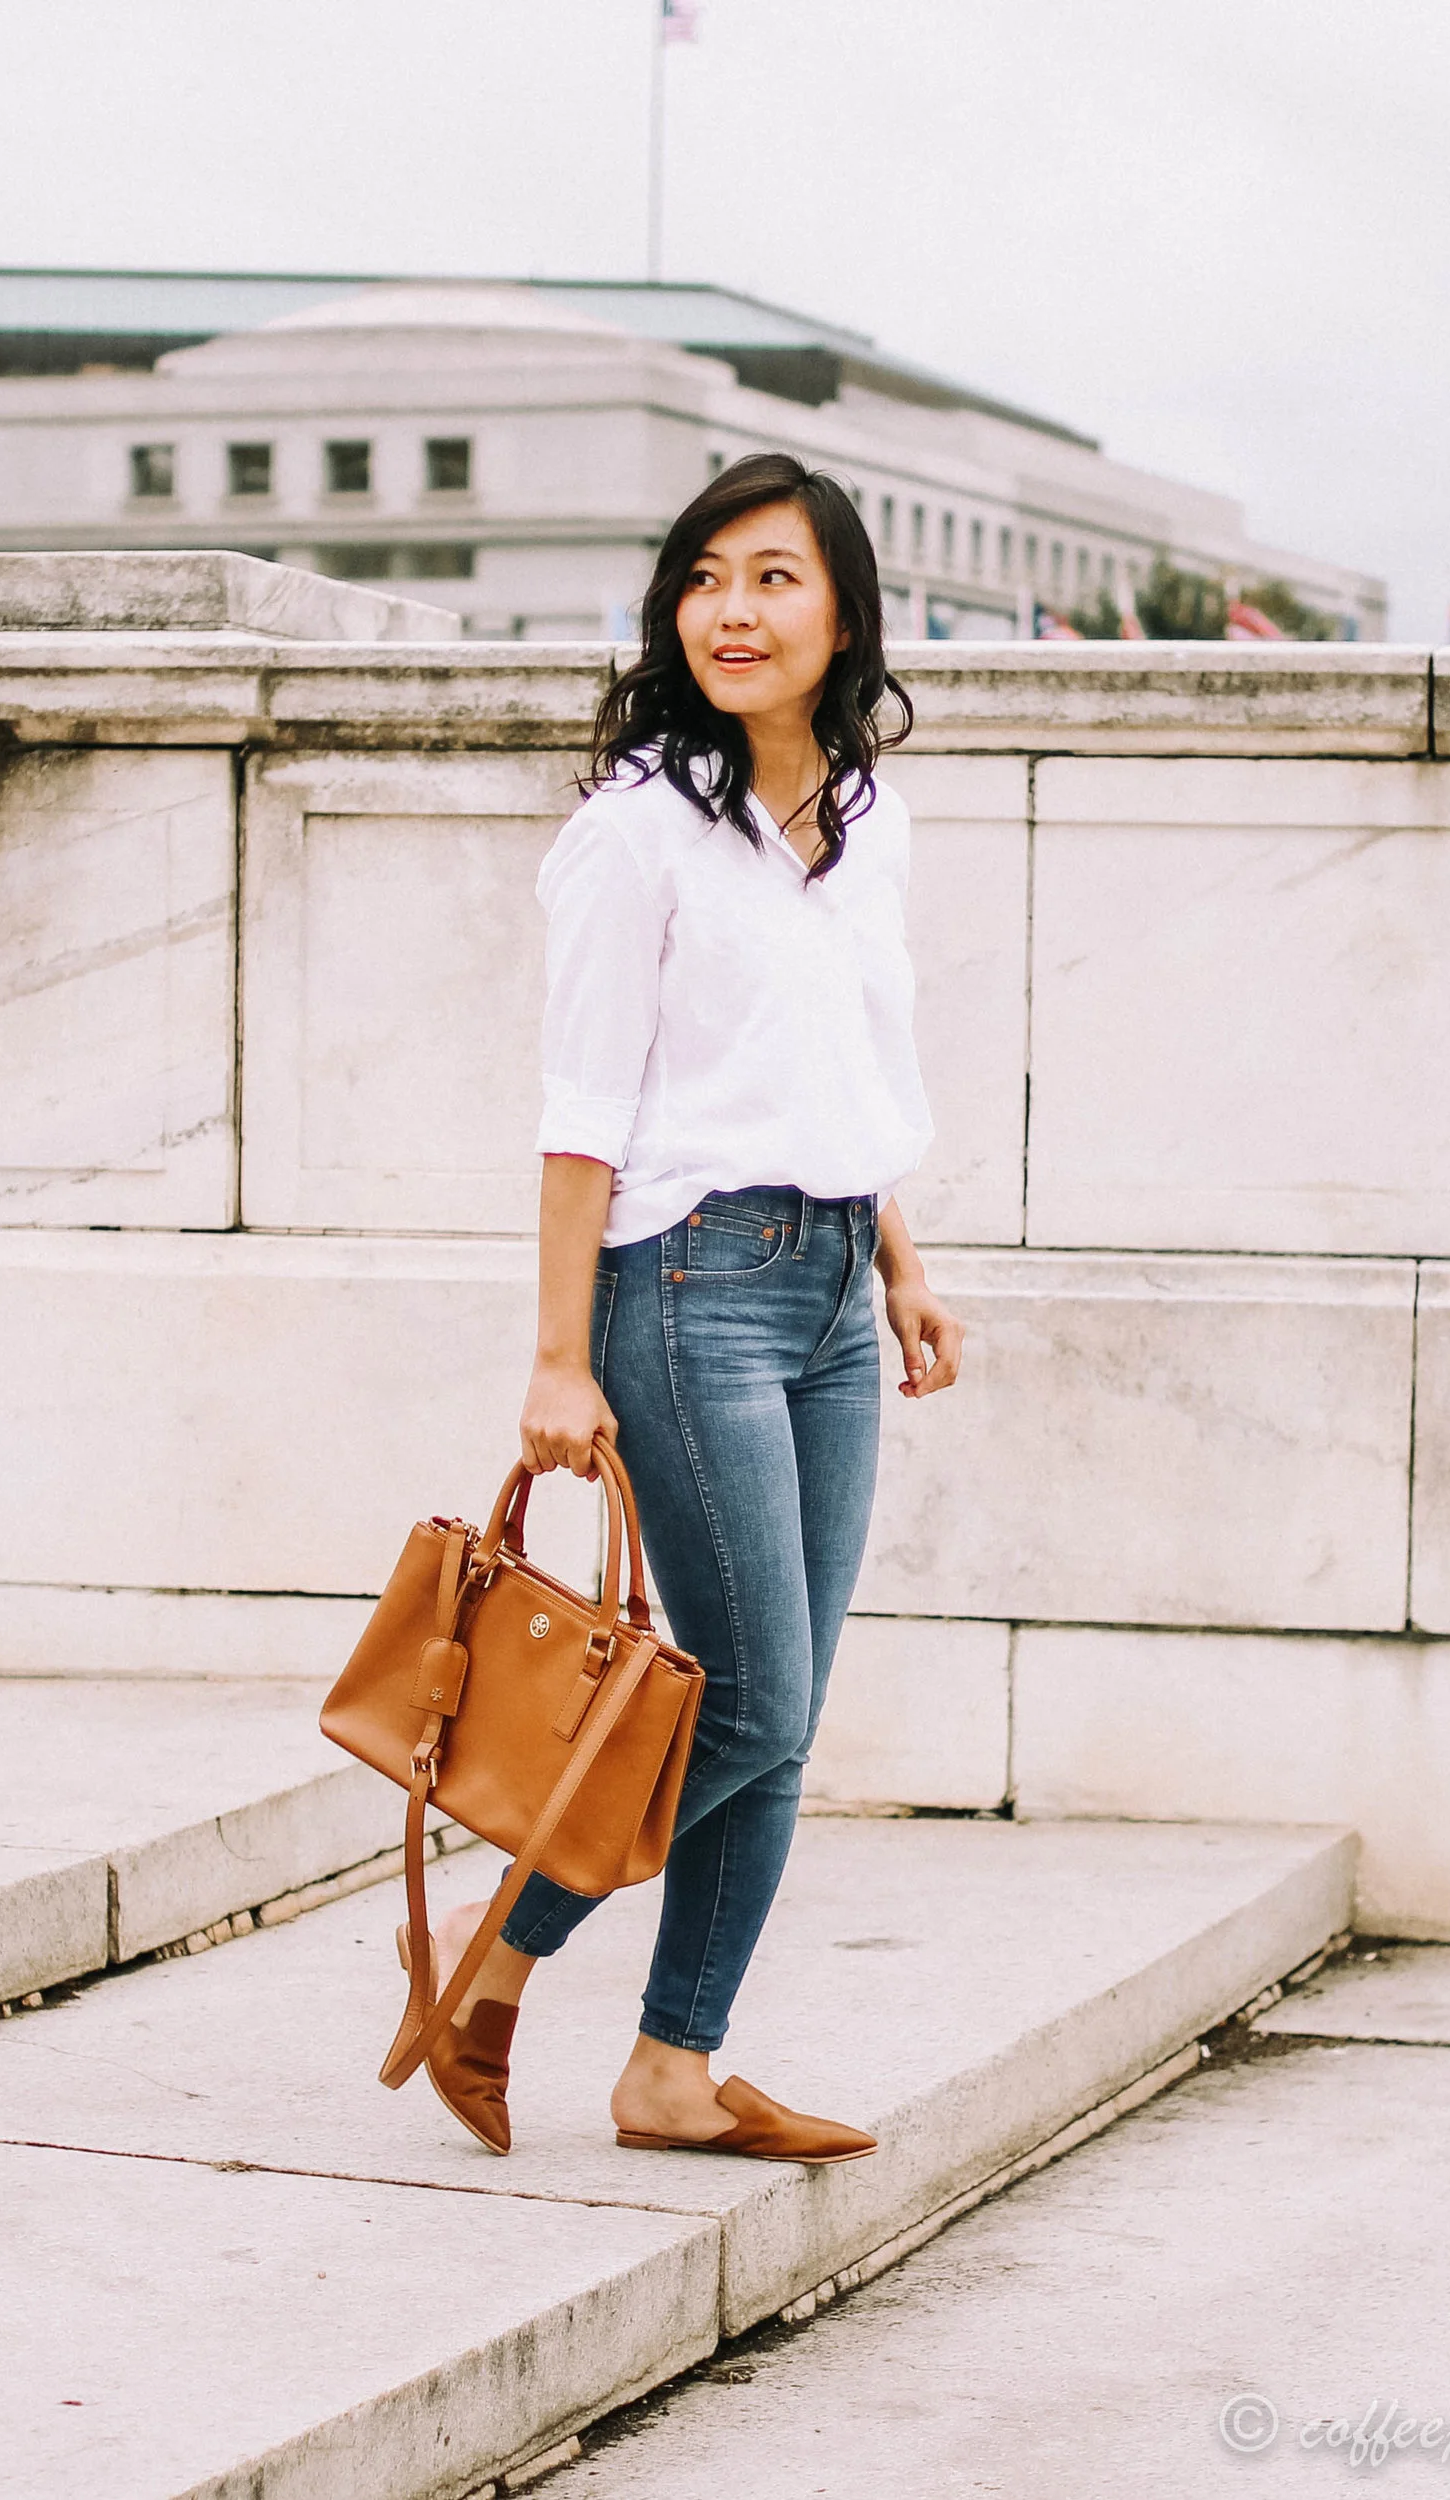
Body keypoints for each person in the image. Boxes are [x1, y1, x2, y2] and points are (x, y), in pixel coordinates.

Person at [408, 451, 965, 2164]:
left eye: (774, 577)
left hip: (832, 1289)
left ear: (845, 614)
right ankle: (497, 1948)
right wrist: (556, 1358)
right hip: (688, 1285)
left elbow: (843, 1068)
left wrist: (897, 1258)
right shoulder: (634, 835)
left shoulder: (864, 826)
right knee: (751, 1700)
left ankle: (672, 2067)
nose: (733, 611)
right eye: (706, 579)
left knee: (781, 1713)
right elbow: (584, 1114)